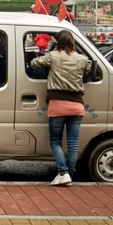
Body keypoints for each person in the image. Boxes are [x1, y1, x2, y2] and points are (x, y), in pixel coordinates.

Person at [30, 30, 91, 186]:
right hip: (77, 106)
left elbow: (34, 64)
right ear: (72, 42)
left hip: (57, 105)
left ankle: (63, 172)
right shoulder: (82, 59)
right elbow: (88, 74)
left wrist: (44, 53)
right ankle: (70, 174)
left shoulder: (53, 56)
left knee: (55, 142)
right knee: (73, 143)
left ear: (58, 42)